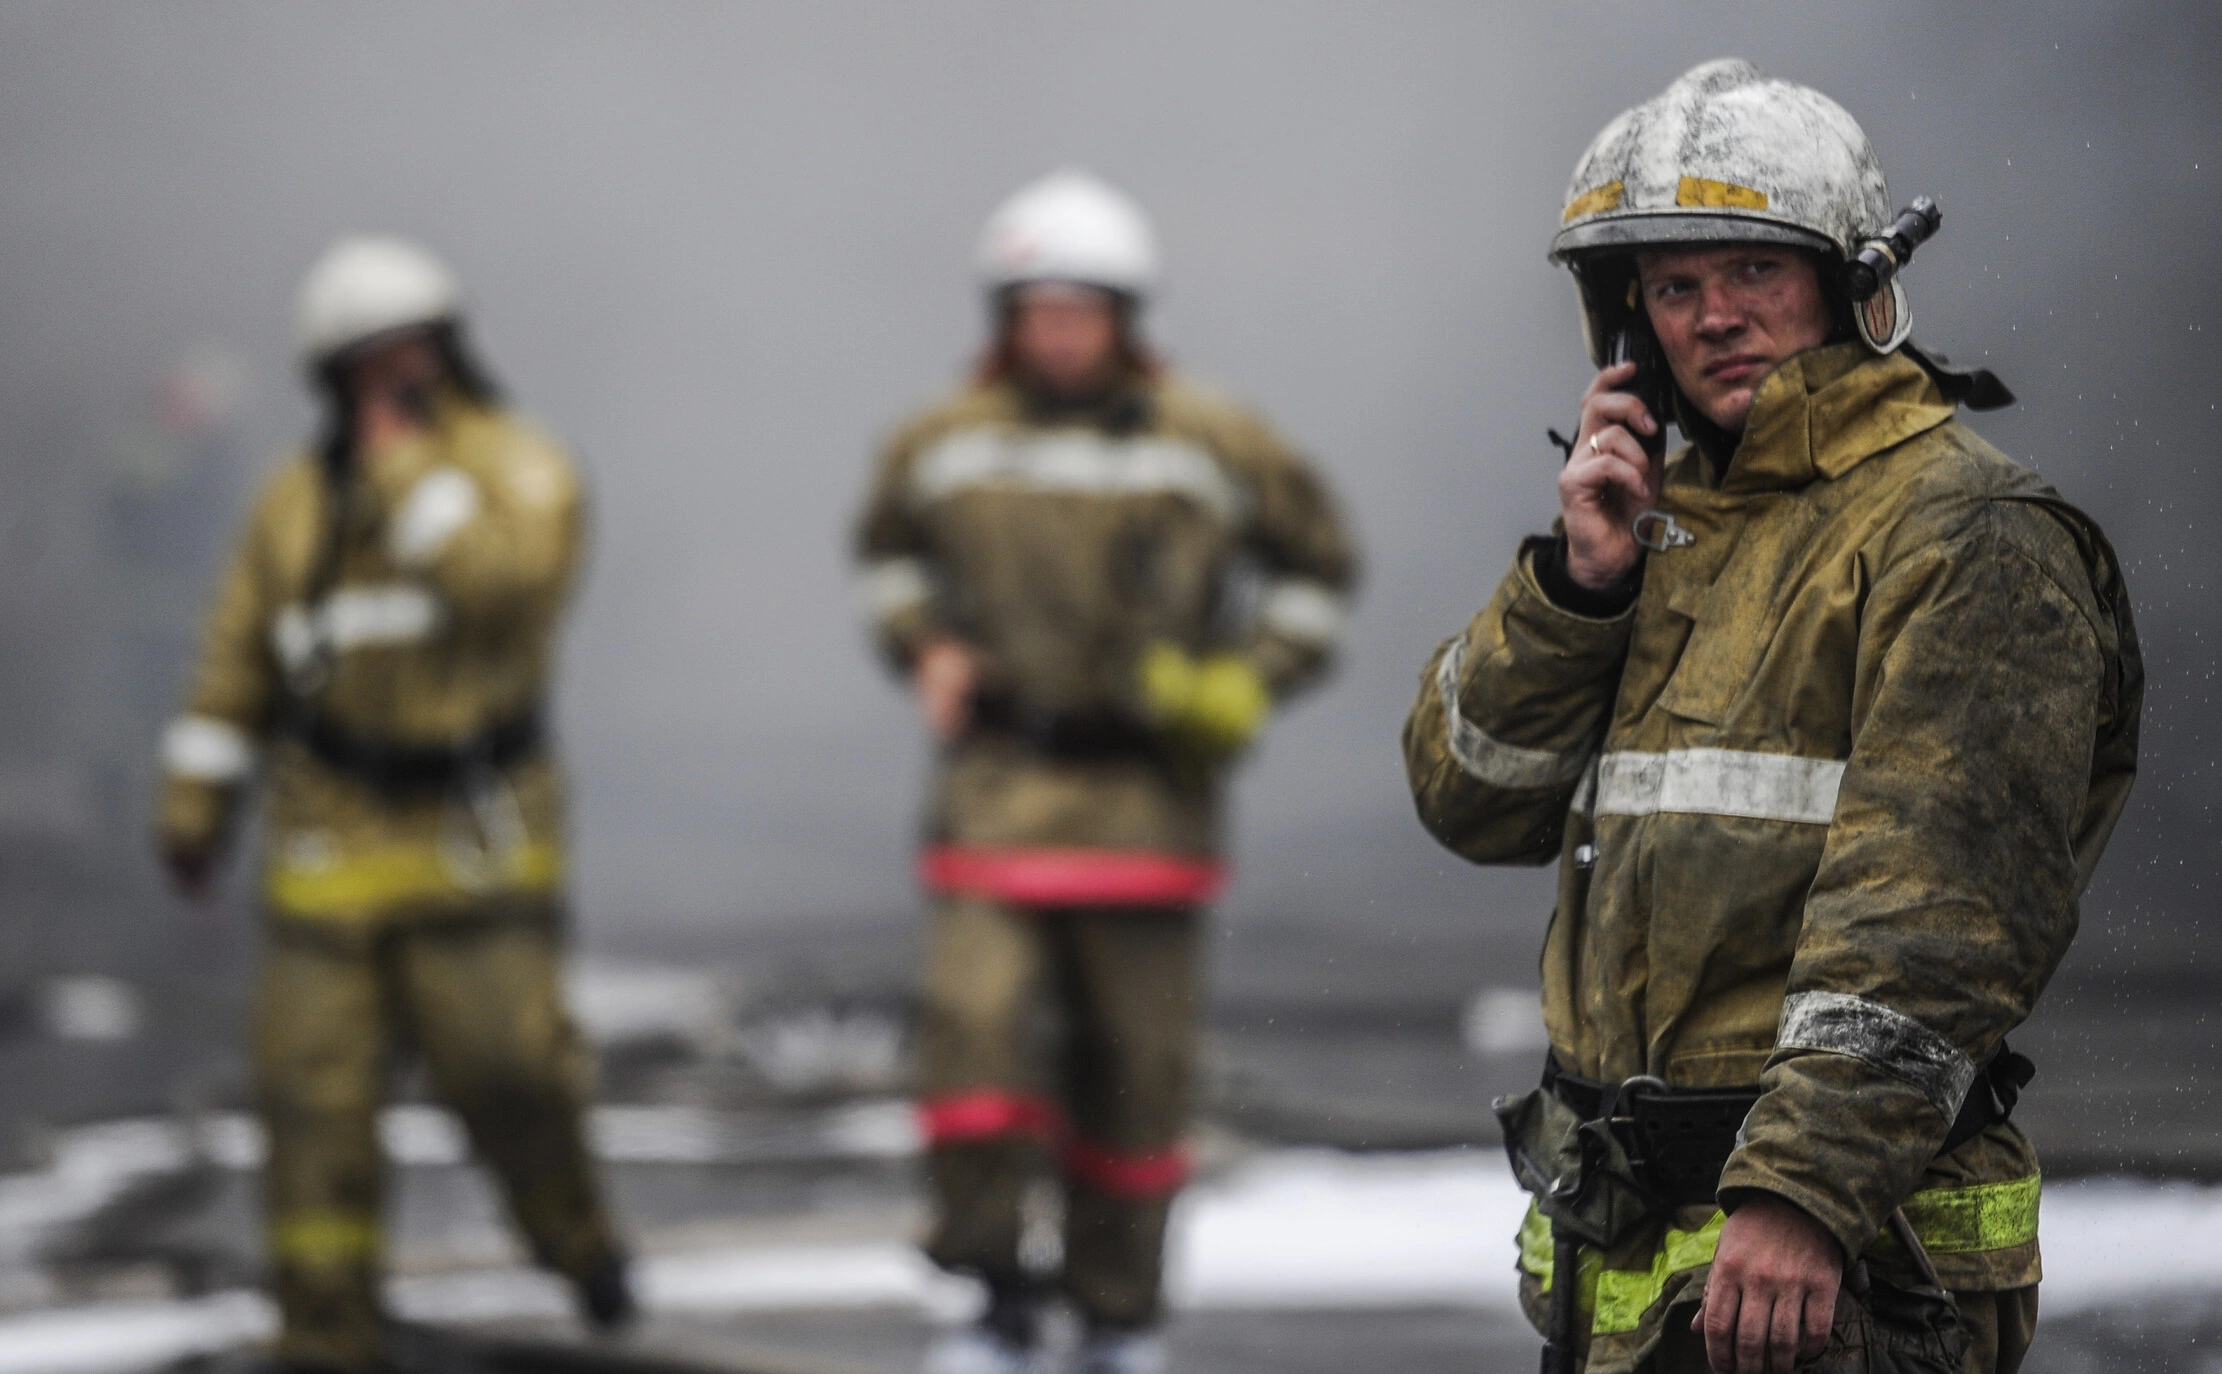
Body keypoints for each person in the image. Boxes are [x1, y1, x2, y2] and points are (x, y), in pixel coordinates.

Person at [1402, 60, 2141, 1374]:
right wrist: (1580, 589)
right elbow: (1470, 797)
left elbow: (1939, 910)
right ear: (1626, 327)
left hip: (1839, 1266)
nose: (1713, 317)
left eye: (1752, 271)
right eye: (1674, 287)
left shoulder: (1962, 533)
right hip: (1633, 1272)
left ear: (1853, 286)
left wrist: (1801, 1189)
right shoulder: (1655, 535)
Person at [855, 170, 1358, 1374]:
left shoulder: (1210, 441)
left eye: (1081, 309)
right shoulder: (942, 443)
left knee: (1132, 1083)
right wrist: (922, 642)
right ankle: (984, 1293)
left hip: (1147, 811)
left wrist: (1248, 676)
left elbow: (1317, 569)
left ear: (1128, 317)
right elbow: (887, 561)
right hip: (993, 798)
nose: (1058, 333)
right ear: (1003, 316)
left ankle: (1116, 1317)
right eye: (1035, 309)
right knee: (971, 1060)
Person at [156, 236, 632, 1373]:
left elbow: (510, 593)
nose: (391, 381)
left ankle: (575, 1242)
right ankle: (325, 1334)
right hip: (329, 844)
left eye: (410, 355)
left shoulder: (518, 466)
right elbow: (238, 662)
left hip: (476, 843)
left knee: (511, 1078)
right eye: (365, 365)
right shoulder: (291, 508)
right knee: (309, 1102)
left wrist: (411, 480)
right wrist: (196, 801)